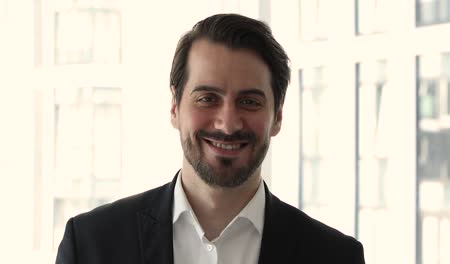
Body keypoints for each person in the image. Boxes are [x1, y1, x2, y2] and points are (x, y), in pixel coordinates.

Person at [55, 13, 365, 264]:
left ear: (278, 116)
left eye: (250, 102)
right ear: (175, 107)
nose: (228, 124)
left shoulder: (336, 257)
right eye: (207, 99)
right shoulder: (92, 245)